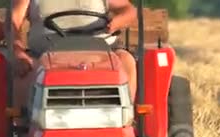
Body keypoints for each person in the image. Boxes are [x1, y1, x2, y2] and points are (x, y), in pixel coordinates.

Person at [10, 0, 138, 106]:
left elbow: (128, 9)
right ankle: (24, 128)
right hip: (45, 54)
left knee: (126, 61)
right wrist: (19, 52)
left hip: (100, 51)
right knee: (24, 70)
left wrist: (119, 20)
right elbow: (14, 20)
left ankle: (125, 119)